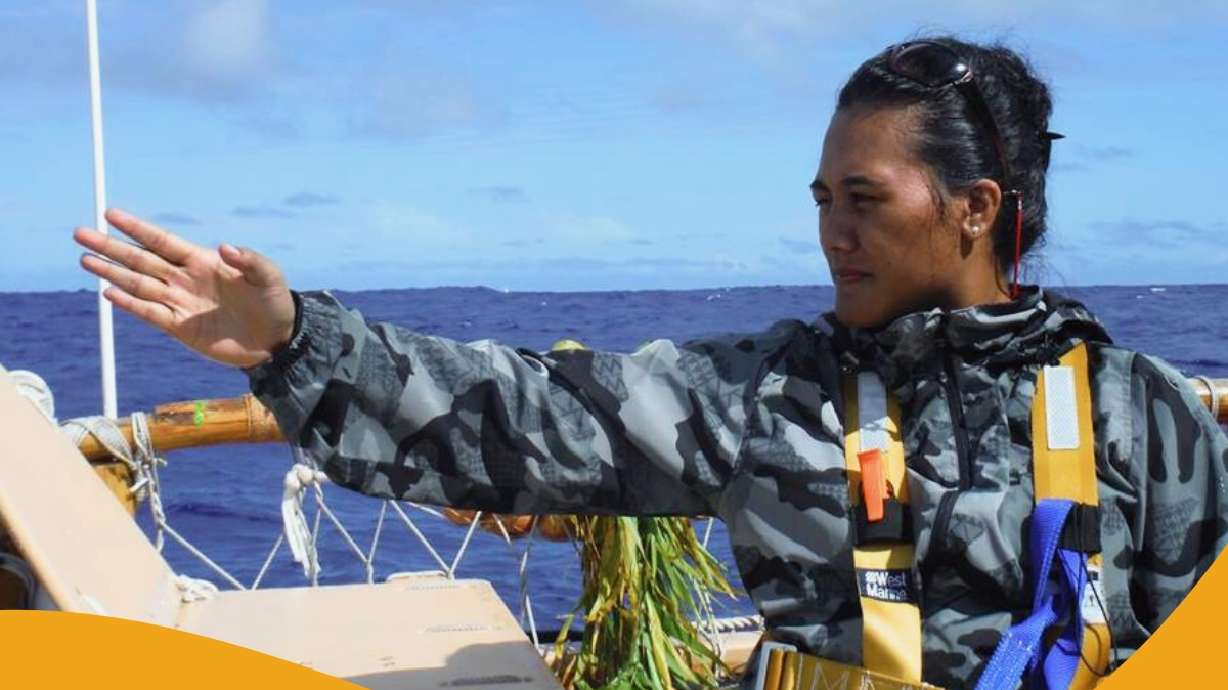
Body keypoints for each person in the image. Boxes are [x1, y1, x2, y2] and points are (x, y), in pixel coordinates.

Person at [74, 36, 1227, 690]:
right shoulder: (767, 393)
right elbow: (524, 416)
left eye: (864, 200)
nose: (831, 231)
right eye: (823, 198)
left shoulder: (1144, 416)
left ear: (976, 208)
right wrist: (291, 341)